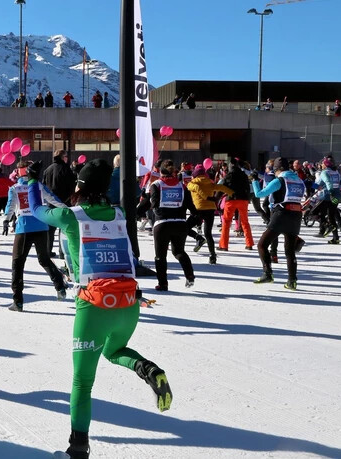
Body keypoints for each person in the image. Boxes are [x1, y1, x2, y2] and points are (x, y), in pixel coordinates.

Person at [25, 159, 172, 459]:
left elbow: (38, 210)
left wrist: (30, 182)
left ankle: (78, 447)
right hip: (127, 304)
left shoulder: (70, 216)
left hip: (93, 305)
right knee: (114, 350)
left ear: (80, 186)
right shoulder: (119, 214)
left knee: (82, 381)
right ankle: (149, 369)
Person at [5, 160, 67, 311]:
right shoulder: (38, 185)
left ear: (19, 171)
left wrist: (6, 219)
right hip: (41, 225)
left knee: (18, 263)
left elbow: (11, 205)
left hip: (24, 229)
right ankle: (60, 286)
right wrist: (66, 209)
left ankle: (18, 301)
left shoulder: (15, 188)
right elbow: (52, 198)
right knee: (44, 259)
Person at [252, 157, 304, 289]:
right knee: (289, 251)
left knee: (262, 245)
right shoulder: (298, 180)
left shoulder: (280, 180)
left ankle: (267, 274)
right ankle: (292, 281)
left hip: (281, 214)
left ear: (277, 169)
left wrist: (254, 181)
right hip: (296, 215)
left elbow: (259, 194)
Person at [149, 159, 196, 291]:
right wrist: (189, 224)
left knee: (160, 256)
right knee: (179, 251)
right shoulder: (182, 186)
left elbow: (153, 204)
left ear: (159, 171)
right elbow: (192, 208)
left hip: (162, 224)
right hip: (180, 224)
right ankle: (190, 275)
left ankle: (163, 284)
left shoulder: (156, 185)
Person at [186, 165, 233, 265]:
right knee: (208, 233)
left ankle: (198, 238)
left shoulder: (192, 183)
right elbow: (221, 187)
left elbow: (194, 187)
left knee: (185, 227)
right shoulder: (210, 183)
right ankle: (212, 256)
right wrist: (233, 193)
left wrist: (205, 197)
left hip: (198, 209)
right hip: (210, 210)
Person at [218, 158, 255, 251]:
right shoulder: (244, 175)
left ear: (230, 166)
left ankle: (224, 245)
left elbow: (222, 188)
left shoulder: (228, 176)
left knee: (226, 222)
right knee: (245, 222)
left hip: (231, 200)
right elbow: (248, 187)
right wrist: (247, 198)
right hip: (243, 200)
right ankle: (249, 243)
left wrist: (215, 199)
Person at [43, 150, 76, 257]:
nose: (67, 158)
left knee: (50, 230)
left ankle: (47, 251)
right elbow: (72, 187)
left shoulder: (48, 169)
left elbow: (43, 186)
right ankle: (62, 252)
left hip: (51, 204)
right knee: (64, 229)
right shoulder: (66, 169)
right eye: (66, 156)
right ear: (62, 157)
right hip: (64, 203)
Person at [314, 158, 341, 244]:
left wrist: (307, 184)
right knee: (331, 216)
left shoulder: (324, 172)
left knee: (314, 212)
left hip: (327, 196)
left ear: (325, 165)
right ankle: (335, 239)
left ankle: (328, 226)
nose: (321, 165)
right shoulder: (336, 172)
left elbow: (326, 182)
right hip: (336, 197)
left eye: (322, 164)